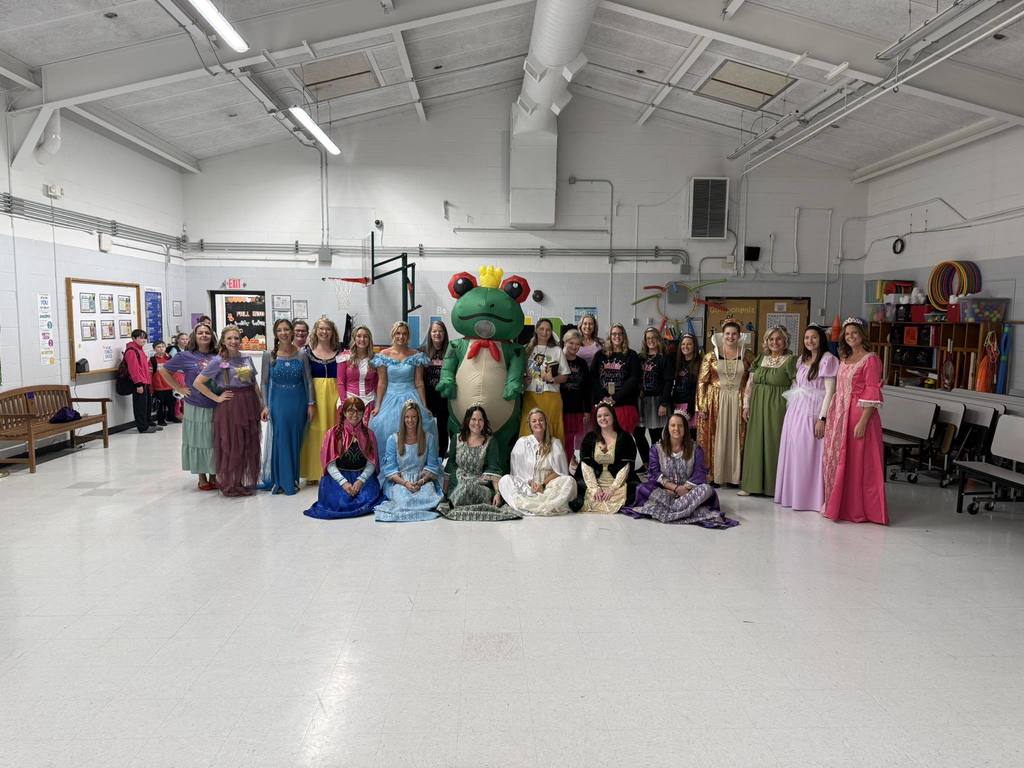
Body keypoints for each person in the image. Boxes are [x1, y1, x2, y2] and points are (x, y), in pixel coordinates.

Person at [822, 318, 888, 525]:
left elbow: (872, 390)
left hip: (859, 414)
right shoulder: (845, 357)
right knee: (841, 459)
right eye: (847, 334)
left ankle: (858, 509)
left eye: (854, 333)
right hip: (841, 413)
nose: (850, 337)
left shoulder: (871, 360)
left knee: (859, 462)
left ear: (862, 335)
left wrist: (864, 422)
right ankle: (838, 505)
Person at [623, 412, 737, 528]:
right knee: (642, 488)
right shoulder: (656, 449)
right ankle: (685, 510)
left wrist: (684, 489)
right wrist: (676, 488)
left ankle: (669, 510)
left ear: (685, 429)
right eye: (673, 425)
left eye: (680, 425)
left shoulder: (695, 449)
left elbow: (699, 474)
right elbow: (654, 474)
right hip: (666, 491)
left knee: (707, 489)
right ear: (667, 428)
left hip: (688, 492)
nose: (676, 428)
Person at [193, 325, 263, 497]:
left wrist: (262, 404)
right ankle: (231, 482)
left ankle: (241, 480)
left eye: (236, 338)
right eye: (229, 338)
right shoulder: (217, 361)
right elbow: (198, 382)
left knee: (248, 443)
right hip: (231, 405)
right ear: (223, 341)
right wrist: (216, 398)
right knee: (233, 444)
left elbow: (253, 383)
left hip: (249, 403)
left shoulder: (246, 358)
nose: (233, 341)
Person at [775, 325, 839, 512]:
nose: (809, 341)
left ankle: (810, 499)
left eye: (814, 337)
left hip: (813, 411)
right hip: (796, 410)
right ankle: (792, 494)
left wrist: (822, 417)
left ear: (821, 339)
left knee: (809, 454)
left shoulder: (828, 360)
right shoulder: (802, 359)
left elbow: (830, 392)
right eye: (806, 338)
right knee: (794, 452)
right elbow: (798, 383)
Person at [157, 322, 218, 490]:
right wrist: (178, 388)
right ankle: (201, 476)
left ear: (212, 336)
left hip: (215, 404)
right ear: (194, 336)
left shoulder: (218, 355)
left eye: (207, 333)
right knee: (198, 440)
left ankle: (214, 474)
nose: (204, 335)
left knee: (213, 441)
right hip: (195, 405)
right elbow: (164, 371)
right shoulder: (186, 356)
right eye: (200, 333)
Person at [258, 319, 315, 495]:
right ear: (276, 333)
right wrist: (265, 406)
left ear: (291, 332)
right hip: (278, 402)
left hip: (298, 401)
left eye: (286, 329)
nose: (283, 333)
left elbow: (308, 381)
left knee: (295, 439)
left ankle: (293, 479)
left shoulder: (301, 354)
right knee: (281, 438)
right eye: (280, 330)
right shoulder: (269, 355)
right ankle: (280, 480)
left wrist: (311, 403)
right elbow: (264, 383)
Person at [739, 326, 797, 497]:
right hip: (757, 404)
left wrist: (792, 408)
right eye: (771, 339)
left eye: (779, 339)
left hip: (778, 405)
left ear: (785, 341)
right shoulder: (761, 358)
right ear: (766, 341)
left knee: (774, 442)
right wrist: (746, 405)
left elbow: (796, 385)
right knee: (755, 441)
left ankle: (774, 487)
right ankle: (751, 485)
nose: (775, 342)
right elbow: (750, 383)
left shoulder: (791, 359)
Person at [304, 397, 381, 519]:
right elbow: (330, 464)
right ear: (344, 413)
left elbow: (371, 462)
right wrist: (343, 482)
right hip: (339, 477)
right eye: (351, 411)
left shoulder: (369, 434)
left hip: (362, 477)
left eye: (359, 411)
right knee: (339, 501)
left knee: (369, 496)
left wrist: (361, 480)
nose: (355, 415)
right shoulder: (333, 434)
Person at [368, 320, 438, 457]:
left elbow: (419, 382)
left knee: (420, 425)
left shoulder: (416, 356)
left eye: (404, 334)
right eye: (398, 333)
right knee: (383, 426)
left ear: (408, 336)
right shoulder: (383, 355)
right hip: (390, 397)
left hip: (411, 395)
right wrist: (378, 406)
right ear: (393, 335)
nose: (401, 337)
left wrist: (424, 405)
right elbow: (382, 382)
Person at [697, 318, 752, 486]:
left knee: (736, 437)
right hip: (716, 401)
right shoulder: (710, 356)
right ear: (722, 335)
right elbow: (702, 382)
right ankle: (714, 475)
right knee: (716, 437)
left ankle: (735, 476)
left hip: (738, 400)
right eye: (727, 333)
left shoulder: (747, 355)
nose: (730, 337)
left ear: (739, 335)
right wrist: (702, 406)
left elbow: (752, 379)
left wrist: (747, 404)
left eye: (734, 334)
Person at [443, 406, 520, 521]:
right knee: (464, 488)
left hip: (480, 482)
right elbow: (450, 465)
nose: (477, 423)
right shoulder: (456, 438)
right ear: (468, 420)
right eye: (474, 419)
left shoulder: (490, 441)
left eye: (480, 420)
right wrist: (445, 493)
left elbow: (494, 469)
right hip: (459, 481)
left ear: (484, 422)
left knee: (471, 489)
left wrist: (498, 493)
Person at [498, 408, 576, 516]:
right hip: (528, 488)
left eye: (541, 420)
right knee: (505, 480)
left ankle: (533, 506)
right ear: (529, 425)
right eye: (534, 421)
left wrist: (542, 485)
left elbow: (560, 472)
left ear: (545, 423)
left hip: (549, 488)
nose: (538, 423)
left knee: (569, 481)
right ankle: (541, 506)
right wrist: (531, 483)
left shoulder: (555, 443)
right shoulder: (522, 443)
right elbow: (517, 473)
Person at [375, 401, 443, 522]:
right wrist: (405, 484)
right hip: (400, 481)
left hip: (421, 479)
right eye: (407, 417)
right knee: (404, 499)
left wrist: (421, 482)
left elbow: (432, 466)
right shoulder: (393, 439)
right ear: (403, 418)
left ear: (418, 418)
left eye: (413, 417)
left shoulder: (428, 438)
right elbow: (391, 470)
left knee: (427, 496)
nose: (410, 420)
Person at [298, 317, 341, 483]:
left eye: (328, 329)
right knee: (315, 432)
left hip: (335, 393)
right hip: (314, 394)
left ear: (333, 332)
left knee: (333, 430)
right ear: (316, 331)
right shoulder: (306, 352)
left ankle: (334, 470)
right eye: (321, 328)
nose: (324, 332)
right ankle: (314, 472)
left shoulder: (340, 351)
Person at [576, 402, 638, 514]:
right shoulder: (590, 437)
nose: (603, 418)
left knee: (634, 491)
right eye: (599, 416)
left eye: (606, 415)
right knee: (582, 493)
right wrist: (595, 489)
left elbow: (626, 467)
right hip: (594, 481)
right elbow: (586, 465)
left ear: (613, 416)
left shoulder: (624, 437)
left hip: (618, 482)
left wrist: (612, 489)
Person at [519, 318, 570, 442]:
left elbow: (565, 376)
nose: (545, 332)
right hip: (531, 396)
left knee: (551, 430)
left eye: (548, 329)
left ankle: (552, 459)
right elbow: (519, 372)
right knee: (529, 429)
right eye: (541, 329)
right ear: (536, 330)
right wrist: (523, 380)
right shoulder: (527, 349)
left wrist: (552, 379)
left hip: (551, 397)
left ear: (551, 332)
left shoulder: (557, 350)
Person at [591, 323, 642, 436]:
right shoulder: (600, 355)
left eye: (620, 334)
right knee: (605, 439)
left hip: (624, 404)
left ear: (624, 336)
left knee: (622, 440)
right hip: (603, 404)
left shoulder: (631, 355)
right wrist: (603, 397)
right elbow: (593, 378)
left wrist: (615, 397)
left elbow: (634, 379)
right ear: (609, 336)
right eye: (614, 334)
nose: (617, 336)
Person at [635, 326, 674, 466]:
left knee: (655, 436)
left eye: (653, 337)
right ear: (645, 341)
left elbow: (669, 382)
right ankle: (646, 463)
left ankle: (656, 466)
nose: (650, 340)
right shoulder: (640, 358)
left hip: (657, 401)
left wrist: (664, 403)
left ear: (658, 339)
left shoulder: (664, 358)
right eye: (648, 338)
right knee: (638, 433)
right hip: (641, 400)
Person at [559, 328, 592, 469]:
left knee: (570, 439)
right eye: (571, 343)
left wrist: (587, 410)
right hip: (559, 405)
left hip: (576, 407)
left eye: (577, 344)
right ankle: (558, 467)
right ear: (565, 343)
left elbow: (586, 388)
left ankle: (566, 468)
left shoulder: (582, 363)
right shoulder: (557, 359)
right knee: (559, 438)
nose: (574, 347)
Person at [420, 320, 451, 458]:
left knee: (443, 428)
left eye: (440, 331)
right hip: (427, 396)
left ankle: (441, 456)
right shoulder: (422, 351)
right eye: (434, 331)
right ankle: (426, 455)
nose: (437, 334)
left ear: (444, 333)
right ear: (430, 334)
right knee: (426, 427)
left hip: (444, 397)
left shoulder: (450, 350)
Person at [337, 325, 378, 425]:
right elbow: (340, 382)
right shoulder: (345, 357)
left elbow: (377, 382)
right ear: (354, 338)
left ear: (369, 339)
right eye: (359, 336)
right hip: (349, 399)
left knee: (368, 434)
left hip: (370, 400)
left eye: (365, 336)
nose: (362, 339)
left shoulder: (375, 358)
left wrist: (379, 403)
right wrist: (344, 403)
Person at [124, 329, 157, 434]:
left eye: (144, 338)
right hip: (139, 383)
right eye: (141, 337)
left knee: (147, 405)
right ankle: (142, 427)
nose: (143, 340)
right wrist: (138, 384)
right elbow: (134, 369)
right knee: (140, 406)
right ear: (134, 338)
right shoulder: (131, 351)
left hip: (145, 381)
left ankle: (148, 422)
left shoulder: (140, 349)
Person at [671, 333, 701, 431]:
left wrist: (691, 409)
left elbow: (698, 389)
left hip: (691, 406)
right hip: (677, 405)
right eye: (683, 344)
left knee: (691, 438)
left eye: (689, 344)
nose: (685, 347)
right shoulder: (678, 362)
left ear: (694, 346)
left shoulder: (700, 363)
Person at [149, 340, 178, 426]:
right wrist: (151, 388)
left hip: (170, 386)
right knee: (160, 405)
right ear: (154, 349)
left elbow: (174, 372)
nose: (161, 349)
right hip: (159, 387)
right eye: (158, 347)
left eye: (163, 346)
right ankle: (161, 420)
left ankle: (171, 416)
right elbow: (150, 374)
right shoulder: (152, 360)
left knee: (172, 403)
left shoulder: (169, 358)